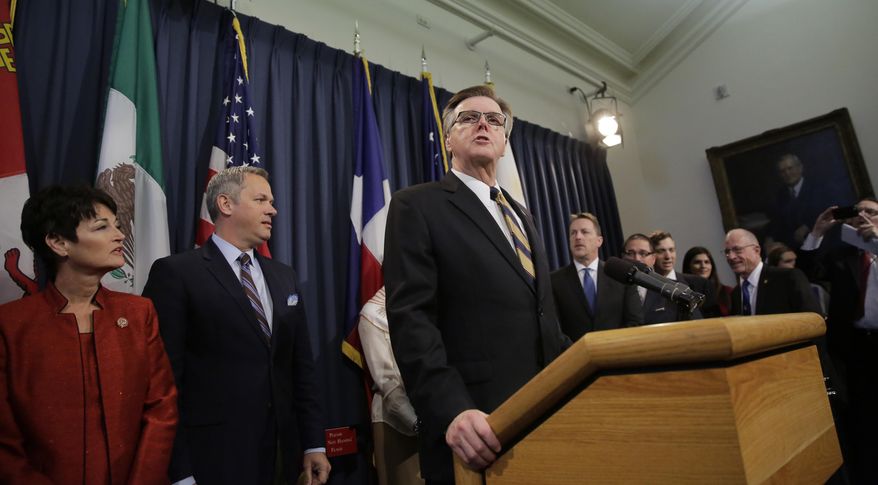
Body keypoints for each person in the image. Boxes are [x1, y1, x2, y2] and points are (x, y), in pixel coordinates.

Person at [384, 85, 570, 484]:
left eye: (494, 120)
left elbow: (542, 317)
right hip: (475, 426)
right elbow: (412, 320)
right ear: (449, 137)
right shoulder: (416, 205)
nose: (483, 124)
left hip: (547, 417)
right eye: (469, 118)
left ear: (504, 142)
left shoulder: (523, 215)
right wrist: (451, 410)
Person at [142, 167, 330, 485]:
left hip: (282, 457)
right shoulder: (177, 274)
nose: (273, 209)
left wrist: (313, 443)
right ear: (226, 204)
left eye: (271, 201)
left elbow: (301, 370)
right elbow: (163, 382)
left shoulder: (284, 276)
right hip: (213, 459)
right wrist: (179, 471)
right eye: (261, 199)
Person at [0, 185, 178, 484]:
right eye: (101, 227)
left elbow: (161, 408)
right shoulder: (11, 325)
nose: (120, 235)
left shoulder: (139, 313)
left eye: (117, 225)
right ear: (58, 243)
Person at [798, 199, 878, 482]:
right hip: (854, 353)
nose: (863, 217)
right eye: (858, 212)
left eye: (872, 212)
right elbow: (807, 270)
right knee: (864, 427)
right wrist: (818, 232)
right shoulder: (841, 255)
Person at [358, 286, 424, 485]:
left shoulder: (425, 304)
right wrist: (422, 426)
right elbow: (389, 384)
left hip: (440, 421)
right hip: (399, 425)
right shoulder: (373, 315)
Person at [551, 213, 641, 340]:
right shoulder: (554, 281)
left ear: (599, 241)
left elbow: (635, 322)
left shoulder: (621, 275)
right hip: (575, 357)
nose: (578, 237)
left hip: (617, 354)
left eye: (584, 232)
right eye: (573, 233)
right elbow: (554, 329)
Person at [642, 231, 714, 322]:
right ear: (652, 255)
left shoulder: (700, 284)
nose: (668, 256)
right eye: (661, 251)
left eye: (671, 250)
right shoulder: (645, 286)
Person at [682, 246, 733, 316]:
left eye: (707, 262)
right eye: (697, 262)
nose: (703, 266)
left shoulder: (728, 291)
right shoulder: (682, 293)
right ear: (688, 267)